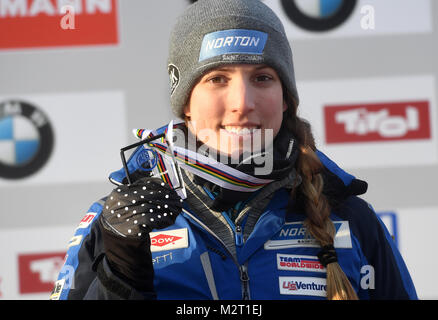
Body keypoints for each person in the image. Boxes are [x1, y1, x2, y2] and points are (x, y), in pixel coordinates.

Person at [51, 0, 417, 300]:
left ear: (286, 99)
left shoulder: (349, 215)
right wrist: (119, 273)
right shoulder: (119, 221)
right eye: (217, 79)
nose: (242, 103)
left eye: (262, 77)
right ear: (185, 103)